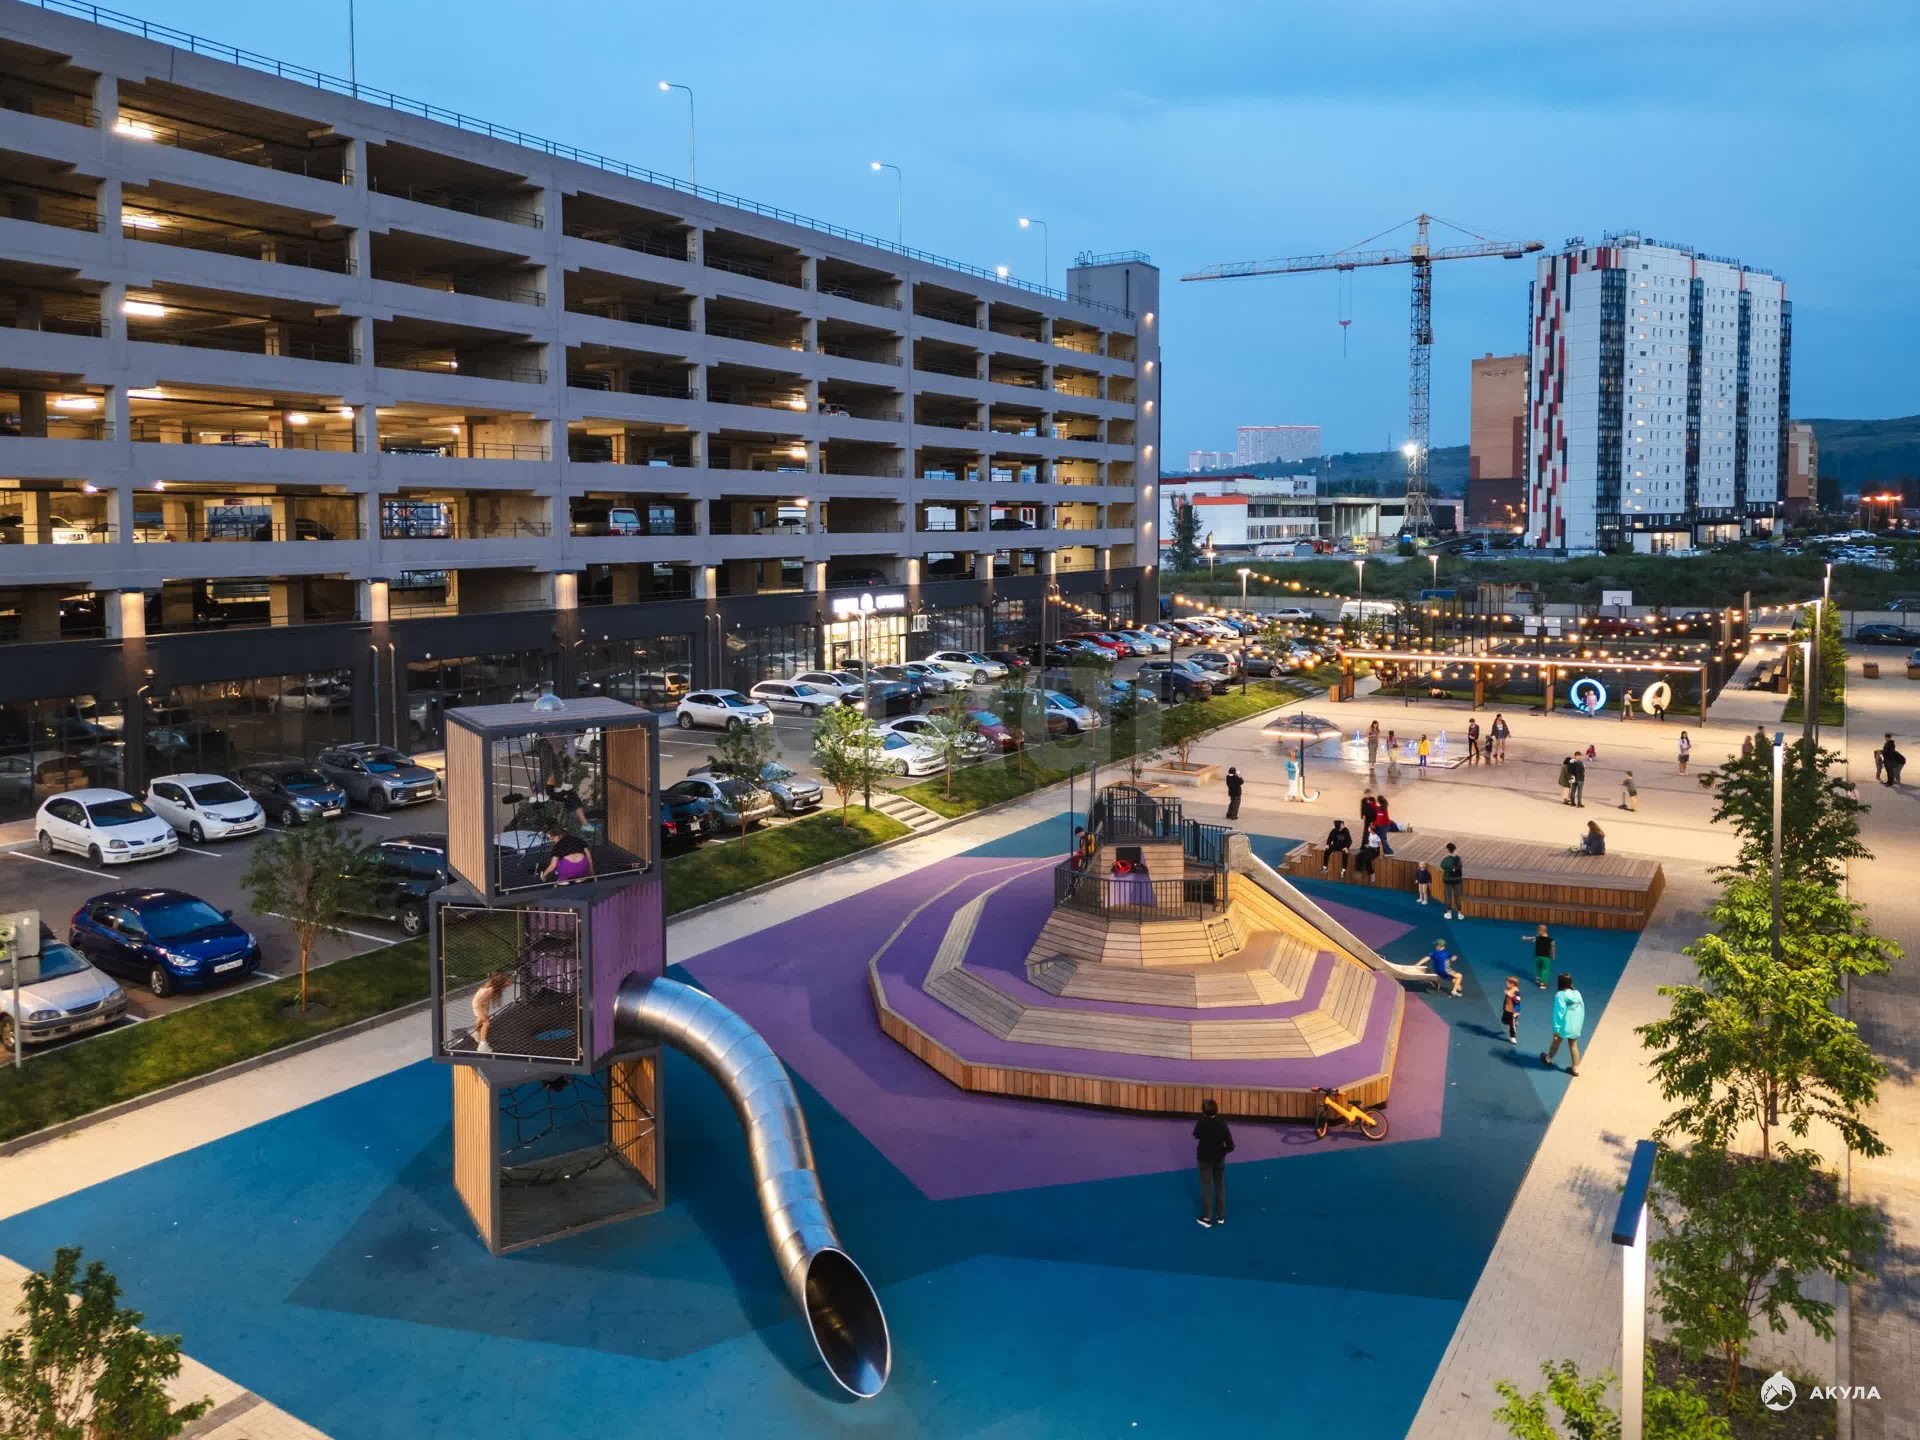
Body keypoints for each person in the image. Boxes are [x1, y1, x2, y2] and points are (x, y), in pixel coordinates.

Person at [1193, 1098, 1234, 1227]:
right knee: (1220, 1185)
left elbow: (1196, 1135)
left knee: (1207, 1187)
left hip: (1204, 1159)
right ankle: (1221, 1215)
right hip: (1219, 1159)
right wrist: (1222, 1152)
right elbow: (1231, 1146)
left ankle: (1207, 1217)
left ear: (1203, 1112)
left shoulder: (1201, 1123)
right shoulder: (1222, 1124)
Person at [1541, 972, 1586, 1076]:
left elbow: (1559, 1012)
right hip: (1576, 1024)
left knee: (1556, 1041)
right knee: (1573, 1045)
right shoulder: (1577, 993)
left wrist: (1556, 1028)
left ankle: (1548, 1059)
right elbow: (1582, 1008)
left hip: (1564, 1025)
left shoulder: (1560, 995)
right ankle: (1575, 1069)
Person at [471, 971, 511, 1054]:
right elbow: (477, 1003)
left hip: (484, 1003)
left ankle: (476, 1033)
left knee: (481, 1019)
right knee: (486, 1022)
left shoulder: (495, 987)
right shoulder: (490, 990)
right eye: (508, 981)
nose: (510, 982)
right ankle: (482, 1045)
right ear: (502, 983)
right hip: (478, 1004)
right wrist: (481, 1013)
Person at [1439, 842, 1465, 919]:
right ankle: (1459, 913)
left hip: (1448, 880)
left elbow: (1442, 865)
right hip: (1457, 880)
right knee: (1457, 896)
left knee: (1449, 896)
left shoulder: (1446, 859)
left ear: (1447, 850)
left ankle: (1449, 912)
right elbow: (1460, 866)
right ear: (1454, 849)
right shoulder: (1459, 858)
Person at [1527, 922, 1555, 990]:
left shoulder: (1537, 938)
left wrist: (1525, 938)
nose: (1537, 931)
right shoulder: (1551, 940)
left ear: (1541, 931)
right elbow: (1553, 948)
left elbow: (1530, 939)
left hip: (1538, 956)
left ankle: (1538, 979)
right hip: (1546, 957)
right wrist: (1552, 955)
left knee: (1538, 968)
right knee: (1545, 969)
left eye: (1538, 930)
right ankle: (1543, 983)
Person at [1501, 976, 1522, 1044]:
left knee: (1511, 1025)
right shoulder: (1509, 989)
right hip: (1506, 1009)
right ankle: (1513, 1023)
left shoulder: (1516, 991)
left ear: (1512, 984)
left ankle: (1513, 1037)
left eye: (1508, 982)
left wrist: (1510, 995)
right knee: (1503, 1021)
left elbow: (1518, 1000)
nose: (1506, 983)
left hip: (1513, 1011)